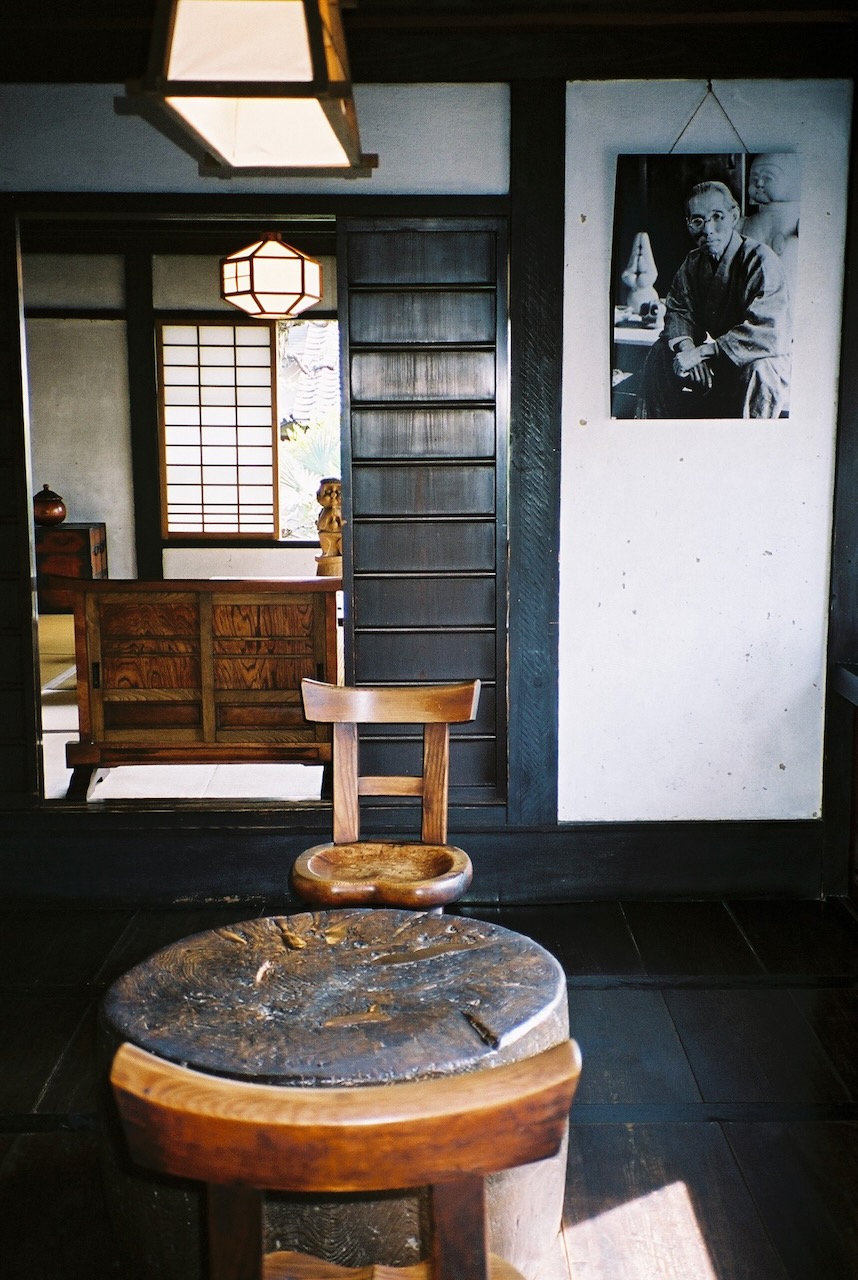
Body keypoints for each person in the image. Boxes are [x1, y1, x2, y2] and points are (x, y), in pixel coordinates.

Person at [636, 180, 792, 418]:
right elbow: (679, 311)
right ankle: (660, 438)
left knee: (760, 371)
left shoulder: (760, 260)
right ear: (688, 225)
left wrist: (702, 353)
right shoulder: (693, 262)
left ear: (734, 215)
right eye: (697, 220)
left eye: (717, 216)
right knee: (659, 354)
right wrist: (688, 349)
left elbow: (768, 330)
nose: (708, 229)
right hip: (719, 356)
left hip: (760, 356)